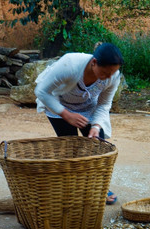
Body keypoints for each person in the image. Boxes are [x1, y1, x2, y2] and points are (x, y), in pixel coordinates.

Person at [34, 42, 124, 205]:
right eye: (105, 72)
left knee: (99, 148)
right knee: (71, 149)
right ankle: (74, 189)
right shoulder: (70, 65)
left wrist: (96, 126)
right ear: (94, 63)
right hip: (59, 106)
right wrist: (66, 115)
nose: (109, 77)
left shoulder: (113, 77)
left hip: (89, 107)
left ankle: (98, 188)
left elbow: (104, 104)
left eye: (113, 72)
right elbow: (41, 91)